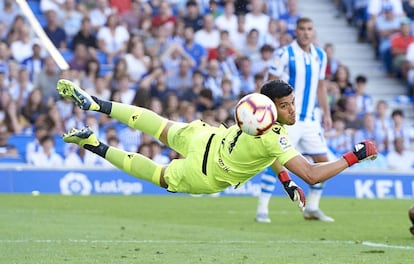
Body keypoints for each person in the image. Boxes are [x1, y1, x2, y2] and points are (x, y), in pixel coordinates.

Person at [56, 79, 377, 205]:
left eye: (293, 102)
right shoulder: (275, 135)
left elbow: (270, 155)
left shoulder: (253, 106)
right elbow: (312, 173)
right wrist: (355, 155)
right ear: (272, 109)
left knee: (159, 124)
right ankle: (94, 144)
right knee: (158, 175)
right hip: (206, 172)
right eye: (286, 105)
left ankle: (97, 103)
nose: (292, 110)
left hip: (208, 136)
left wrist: (285, 183)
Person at [256, 17, 334, 223]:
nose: (306, 33)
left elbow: (321, 87)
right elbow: (269, 87)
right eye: (302, 29)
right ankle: (262, 209)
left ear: (313, 31)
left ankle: (313, 208)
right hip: (286, 120)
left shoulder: (320, 55)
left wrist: (326, 113)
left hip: (310, 119)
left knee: (324, 163)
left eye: (310, 29)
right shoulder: (283, 54)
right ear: (296, 31)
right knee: (275, 162)